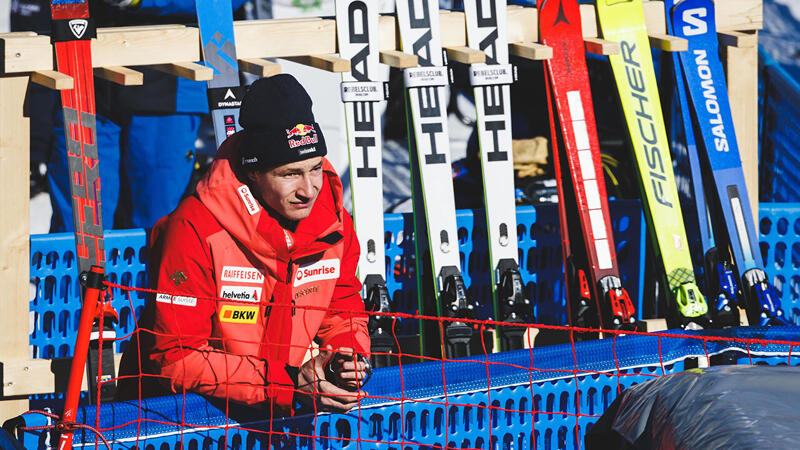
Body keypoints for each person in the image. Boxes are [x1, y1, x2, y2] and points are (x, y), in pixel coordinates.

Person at [118, 74, 371, 415]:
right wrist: (288, 382)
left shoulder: (333, 221)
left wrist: (346, 355)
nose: (309, 189)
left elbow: (342, 309)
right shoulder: (194, 229)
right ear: (253, 173)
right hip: (185, 419)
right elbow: (175, 358)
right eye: (290, 173)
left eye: (315, 168)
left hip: (284, 407)